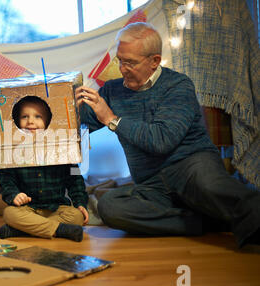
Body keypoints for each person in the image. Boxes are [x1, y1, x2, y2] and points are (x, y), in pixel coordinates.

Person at [75, 22, 260, 248]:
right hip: (151, 182)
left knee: (215, 188)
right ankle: (207, 222)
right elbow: (83, 123)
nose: (122, 68)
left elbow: (161, 140)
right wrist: (72, 106)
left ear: (154, 61)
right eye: (120, 60)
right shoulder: (112, 90)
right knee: (110, 207)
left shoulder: (178, 86)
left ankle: (243, 219)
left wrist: (113, 120)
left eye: (130, 62)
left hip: (191, 166)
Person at [0, 95, 89, 242]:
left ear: (49, 122)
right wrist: (14, 195)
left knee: (76, 216)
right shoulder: (11, 149)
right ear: (16, 121)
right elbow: (6, 181)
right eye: (24, 116)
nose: (30, 121)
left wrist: (80, 203)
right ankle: (59, 230)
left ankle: (24, 230)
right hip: (27, 208)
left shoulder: (62, 146)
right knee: (9, 213)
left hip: (56, 208)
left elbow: (75, 179)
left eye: (38, 116)